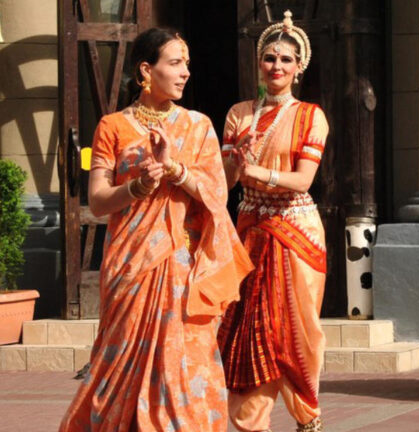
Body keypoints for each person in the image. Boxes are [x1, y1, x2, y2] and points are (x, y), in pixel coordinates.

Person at [60, 28, 252, 431]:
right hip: (130, 266)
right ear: (146, 70)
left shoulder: (198, 126)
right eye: (175, 63)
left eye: (187, 64)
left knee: (184, 368)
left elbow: (217, 193)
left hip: (180, 265)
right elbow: (97, 201)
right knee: (121, 366)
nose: (185, 73)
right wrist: (138, 186)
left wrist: (175, 169)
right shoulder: (112, 127)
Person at [216, 11, 329, 432]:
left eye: (285, 59)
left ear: (299, 68)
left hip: (295, 232)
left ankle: (307, 416)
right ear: (258, 64)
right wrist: (235, 159)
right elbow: (225, 183)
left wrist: (258, 172)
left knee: (297, 332)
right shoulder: (238, 114)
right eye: (269, 58)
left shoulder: (310, 116)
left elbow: (303, 179)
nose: (276, 66)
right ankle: (250, 423)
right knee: (247, 329)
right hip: (248, 232)